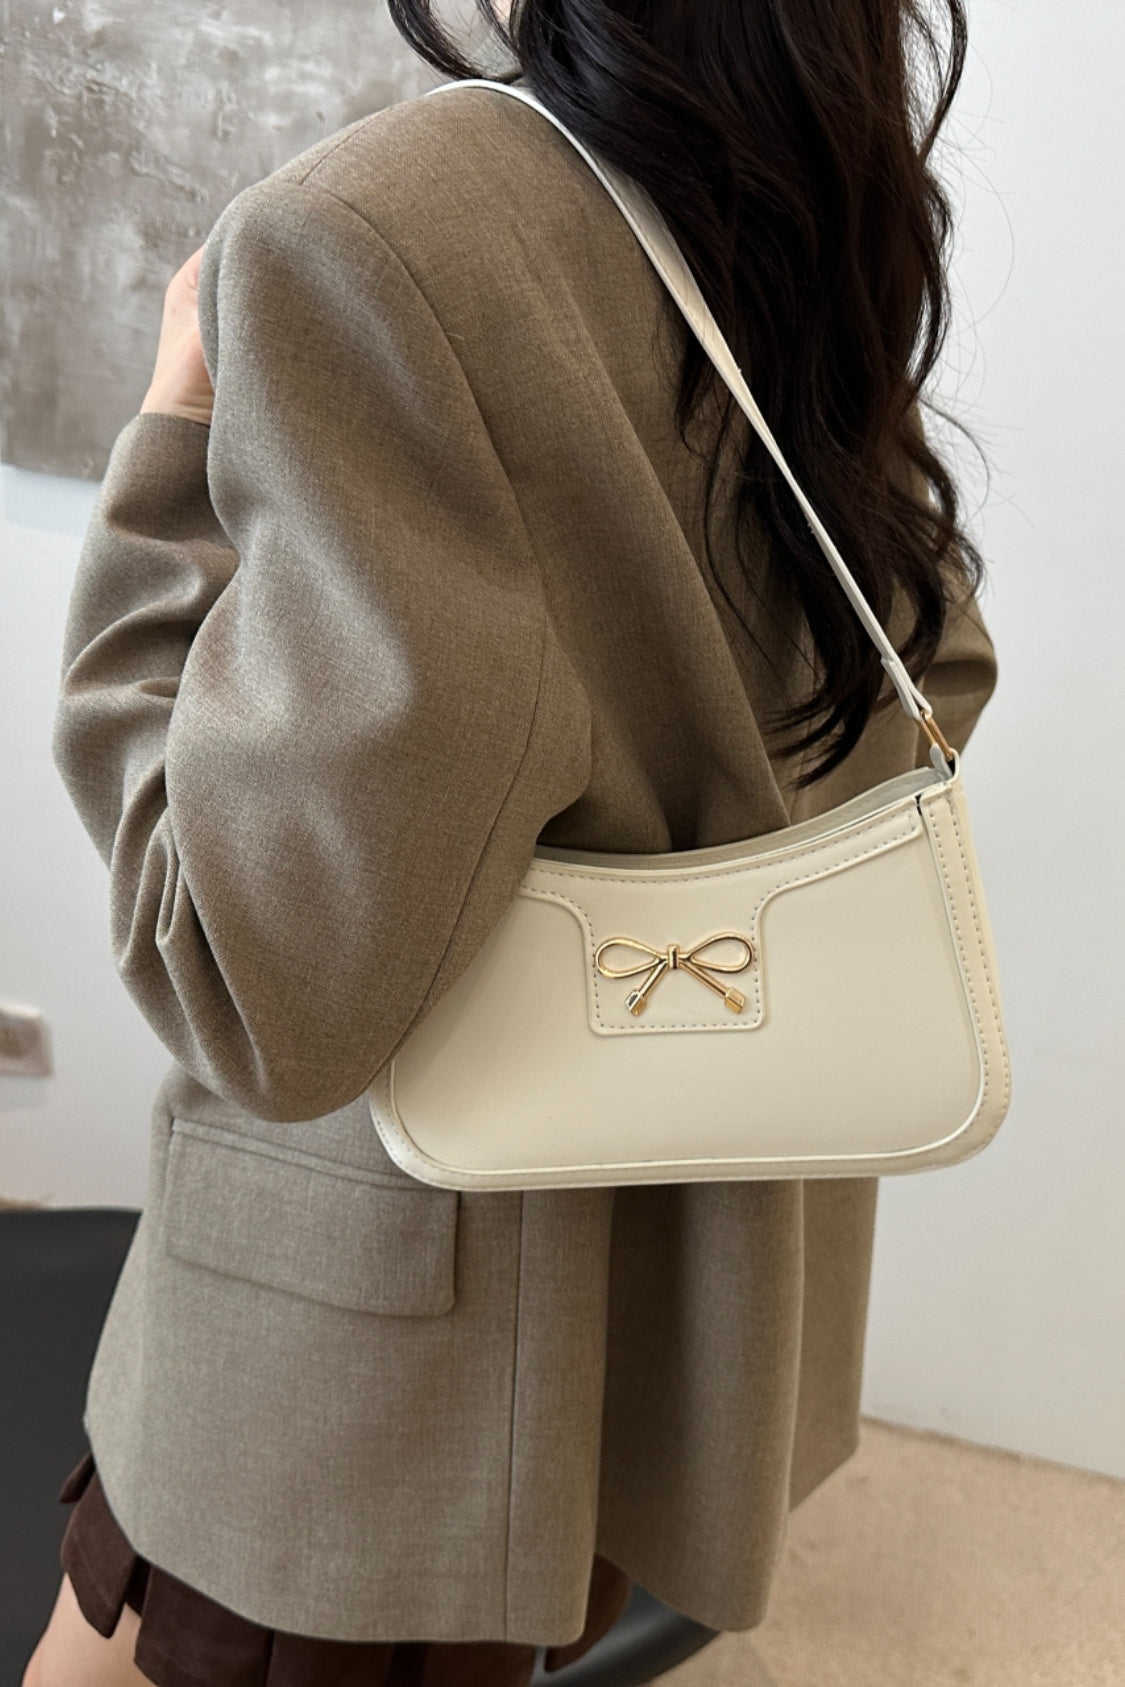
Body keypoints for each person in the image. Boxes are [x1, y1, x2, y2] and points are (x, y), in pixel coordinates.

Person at [24, 0, 999, 1682]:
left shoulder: (363, 236)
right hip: (686, 1292)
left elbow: (250, 989)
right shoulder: (799, 176)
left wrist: (172, 439)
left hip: (390, 1352)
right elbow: (930, 672)